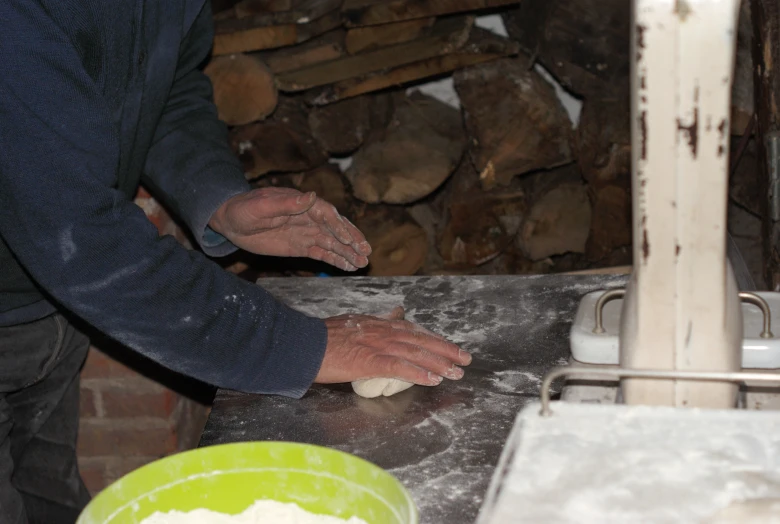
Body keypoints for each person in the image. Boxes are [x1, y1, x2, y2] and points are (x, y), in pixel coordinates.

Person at [0, 1, 472, 522]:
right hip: (45, 276)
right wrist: (301, 346)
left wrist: (217, 198)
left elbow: (168, 88)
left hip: (44, 307)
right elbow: (81, 239)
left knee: (49, 493)